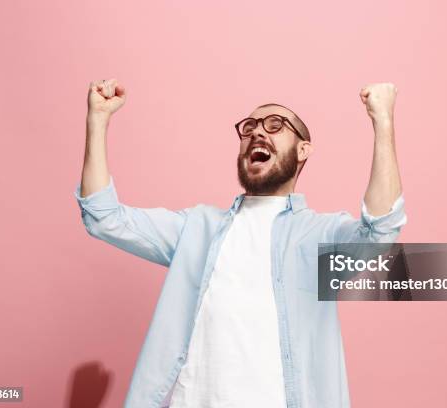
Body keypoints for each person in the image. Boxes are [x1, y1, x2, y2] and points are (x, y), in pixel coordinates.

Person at [74, 78, 407, 408]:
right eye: (249, 127)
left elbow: (380, 231)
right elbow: (104, 218)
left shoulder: (319, 236)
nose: (257, 132)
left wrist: (383, 122)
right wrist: (98, 120)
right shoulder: (197, 229)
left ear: (303, 149)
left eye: (275, 125)